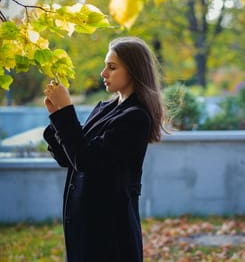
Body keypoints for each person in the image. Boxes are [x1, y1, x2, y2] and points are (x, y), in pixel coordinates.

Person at [43, 36, 165, 262]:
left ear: (133, 70)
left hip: (110, 234)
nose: (103, 73)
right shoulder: (103, 108)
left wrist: (66, 111)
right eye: (105, 66)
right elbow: (69, 158)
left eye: (112, 67)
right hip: (86, 229)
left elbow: (86, 160)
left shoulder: (136, 117)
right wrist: (56, 114)